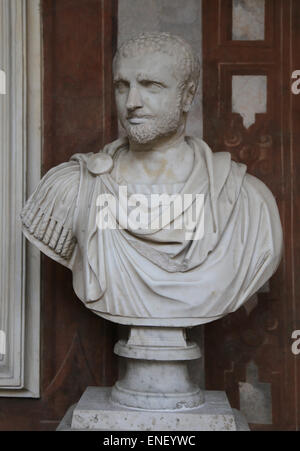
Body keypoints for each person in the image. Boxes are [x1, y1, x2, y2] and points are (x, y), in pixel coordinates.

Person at [21, 32, 283, 326]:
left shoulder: (248, 203)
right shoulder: (72, 188)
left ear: (187, 96)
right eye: (122, 86)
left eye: (151, 86)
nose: (132, 102)